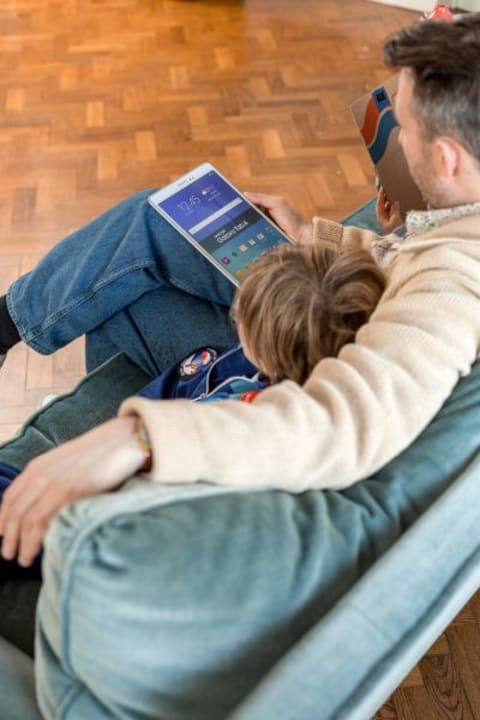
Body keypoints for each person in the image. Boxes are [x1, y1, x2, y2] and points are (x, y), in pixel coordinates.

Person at [1, 13, 480, 574]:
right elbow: (413, 269)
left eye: (403, 127)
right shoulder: (458, 232)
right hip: (340, 314)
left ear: (448, 157)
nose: (395, 137)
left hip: (311, 349)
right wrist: (317, 235)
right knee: (159, 224)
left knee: (144, 246)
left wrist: (138, 438)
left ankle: (87, 434)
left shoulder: (455, 282)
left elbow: (341, 424)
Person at [0, 241, 386, 577]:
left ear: (266, 354)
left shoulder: (250, 436)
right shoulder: (255, 371)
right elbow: (171, 389)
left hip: (102, 524)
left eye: (241, 319)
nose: (234, 322)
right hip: (128, 470)